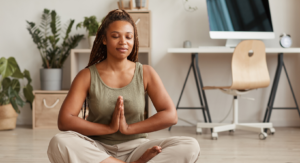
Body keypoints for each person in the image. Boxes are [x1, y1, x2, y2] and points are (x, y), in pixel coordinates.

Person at [47, 9, 200, 163]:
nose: (123, 42)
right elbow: (65, 120)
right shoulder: (86, 75)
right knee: (59, 142)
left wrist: (128, 129)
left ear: (134, 40)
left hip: (137, 148)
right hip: (98, 149)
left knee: (190, 146)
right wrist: (108, 129)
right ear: (104, 39)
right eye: (115, 36)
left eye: (129, 37)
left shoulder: (146, 73)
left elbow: (170, 115)